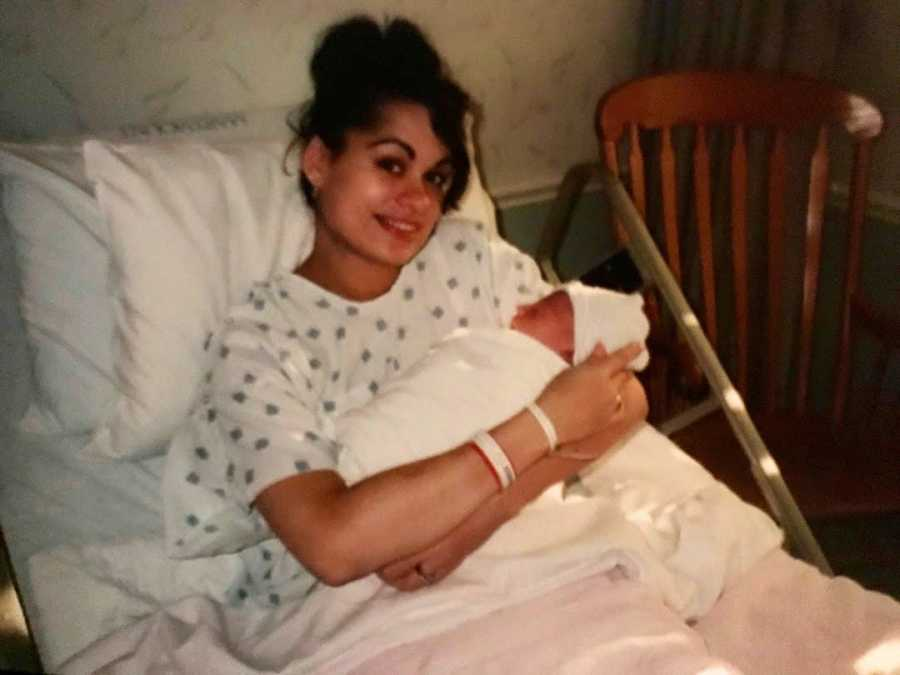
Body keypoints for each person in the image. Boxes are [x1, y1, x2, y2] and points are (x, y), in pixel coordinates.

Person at [163, 15, 647, 604]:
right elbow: (331, 546)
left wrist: (473, 528)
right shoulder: (260, 341)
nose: (417, 199)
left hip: (494, 553)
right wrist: (544, 423)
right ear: (318, 162)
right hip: (340, 606)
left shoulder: (472, 261)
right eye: (391, 164)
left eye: (436, 178)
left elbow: (623, 397)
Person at [335, 282, 652, 484]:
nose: (520, 307)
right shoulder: (492, 348)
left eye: (536, 312)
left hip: (406, 472)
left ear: (569, 352)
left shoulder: (537, 375)